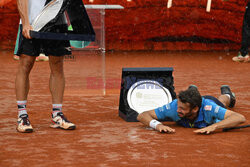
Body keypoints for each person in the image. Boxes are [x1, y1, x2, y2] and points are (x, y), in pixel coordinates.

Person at [15, 0, 75, 133]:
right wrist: (25, 22)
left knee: (57, 65)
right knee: (26, 64)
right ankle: (22, 115)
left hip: (58, 21)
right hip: (32, 22)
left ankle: (57, 115)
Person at [137, 85, 246, 134]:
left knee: (222, 103)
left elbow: (239, 118)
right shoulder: (174, 106)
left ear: (195, 109)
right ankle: (193, 90)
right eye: (178, 106)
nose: (177, 110)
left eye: (182, 109)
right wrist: (157, 125)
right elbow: (142, 115)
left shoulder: (210, 108)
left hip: (210, 102)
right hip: (195, 102)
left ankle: (227, 94)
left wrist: (214, 127)